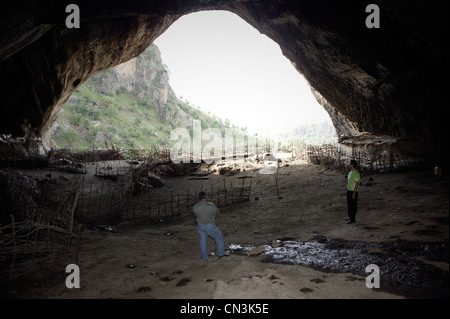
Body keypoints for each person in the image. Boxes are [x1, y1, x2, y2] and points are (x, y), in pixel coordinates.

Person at [193, 191, 226, 260]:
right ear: (206, 197)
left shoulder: (195, 206)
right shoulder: (211, 206)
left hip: (200, 226)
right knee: (219, 237)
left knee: (203, 242)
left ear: (199, 197)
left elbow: (195, 215)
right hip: (210, 225)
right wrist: (213, 206)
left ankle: (204, 258)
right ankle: (221, 254)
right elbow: (217, 214)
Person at [346, 159, 360, 224]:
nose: (349, 164)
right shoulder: (351, 172)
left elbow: (357, 184)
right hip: (349, 190)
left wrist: (354, 193)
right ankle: (350, 217)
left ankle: (353, 219)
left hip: (353, 191)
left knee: (353, 206)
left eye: (350, 163)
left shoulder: (356, 173)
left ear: (352, 165)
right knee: (349, 205)